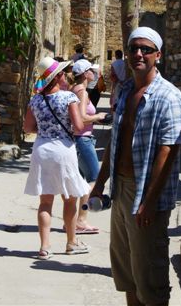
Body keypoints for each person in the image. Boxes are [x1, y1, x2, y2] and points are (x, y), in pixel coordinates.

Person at [90, 26, 181, 306]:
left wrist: (149, 200)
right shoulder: (125, 90)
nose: (138, 54)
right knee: (127, 275)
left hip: (147, 194)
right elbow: (116, 140)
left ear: (157, 55)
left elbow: (168, 151)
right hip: (120, 190)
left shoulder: (168, 96)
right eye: (133, 48)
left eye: (145, 49)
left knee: (150, 279)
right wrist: (100, 184)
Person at [23, 57, 91, 259]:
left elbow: (28, 128)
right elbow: (79, 127)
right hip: (64, 149)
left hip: (42, 148)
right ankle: (71, 242)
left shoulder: (35, 99)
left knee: (45, 202)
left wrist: (43, 128)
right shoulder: (68, 98)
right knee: (70, 199)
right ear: (58, 76)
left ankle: (44, 247)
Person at [70, 59, 107, 233]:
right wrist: (99, 116)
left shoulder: (73, 90)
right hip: (83, 140)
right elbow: (82, 118)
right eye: (91, 70)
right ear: (85, 74)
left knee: (80, 182)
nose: (94, 73)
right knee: (93, 180)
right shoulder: (82, 93)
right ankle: (82, 219)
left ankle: (73, 220)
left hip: (77, 140)